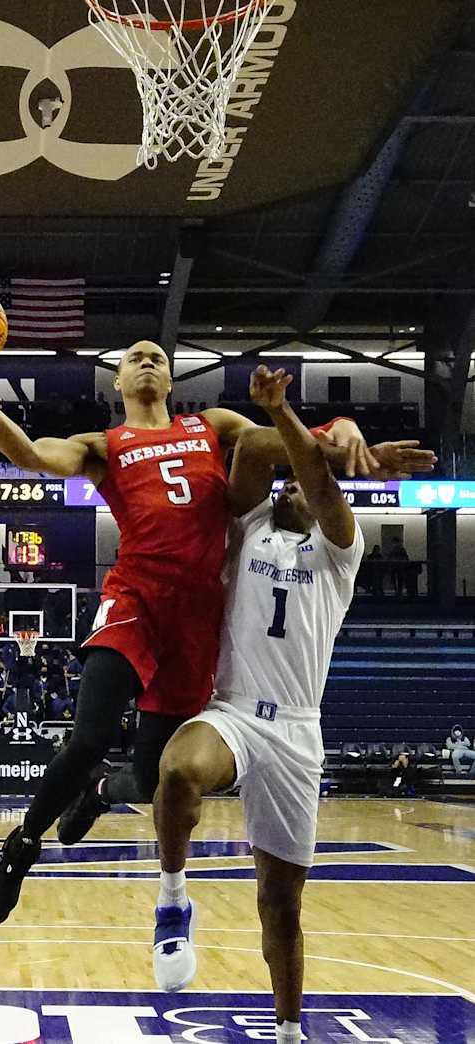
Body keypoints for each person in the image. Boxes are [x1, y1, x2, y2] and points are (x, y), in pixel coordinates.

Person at [0, 322, 433, 931]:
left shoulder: (209, 425)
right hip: (135, 598)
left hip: (198, 618)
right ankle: (21, 848)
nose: (148, 362)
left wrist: (339, 436)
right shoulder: (105, 444)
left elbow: (271, 442)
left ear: (172, 378)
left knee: (156, 781)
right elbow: (28, 452)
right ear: (120, 381)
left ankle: (100, 794)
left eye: (157, 356)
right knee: (89, 736)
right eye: (135, 357)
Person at [149, 367, 423, 1044]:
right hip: (234, 712)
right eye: (290, 477)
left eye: (306, 479)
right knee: (179, 769)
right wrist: (295, 422)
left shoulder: (340, 550)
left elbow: (323, 485)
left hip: (298, 733)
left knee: (281, 904)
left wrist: (319, 450)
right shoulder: (246, 525)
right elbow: (249, 452)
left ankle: (289, 1032)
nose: (295, 484)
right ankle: (173, 899)